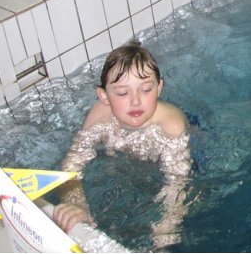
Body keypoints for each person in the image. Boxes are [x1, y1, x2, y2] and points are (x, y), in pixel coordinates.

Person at [53, 44, 191, 249]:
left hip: (167, 162)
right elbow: (71, 166)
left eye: (146, 90)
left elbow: (177, 183)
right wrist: (77, 205)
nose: (136, 101)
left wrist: (167, 226)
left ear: (159, 88)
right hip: (123, 163)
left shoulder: (171, 126)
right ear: (104, 96)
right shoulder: (100, 116)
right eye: (122, 93)